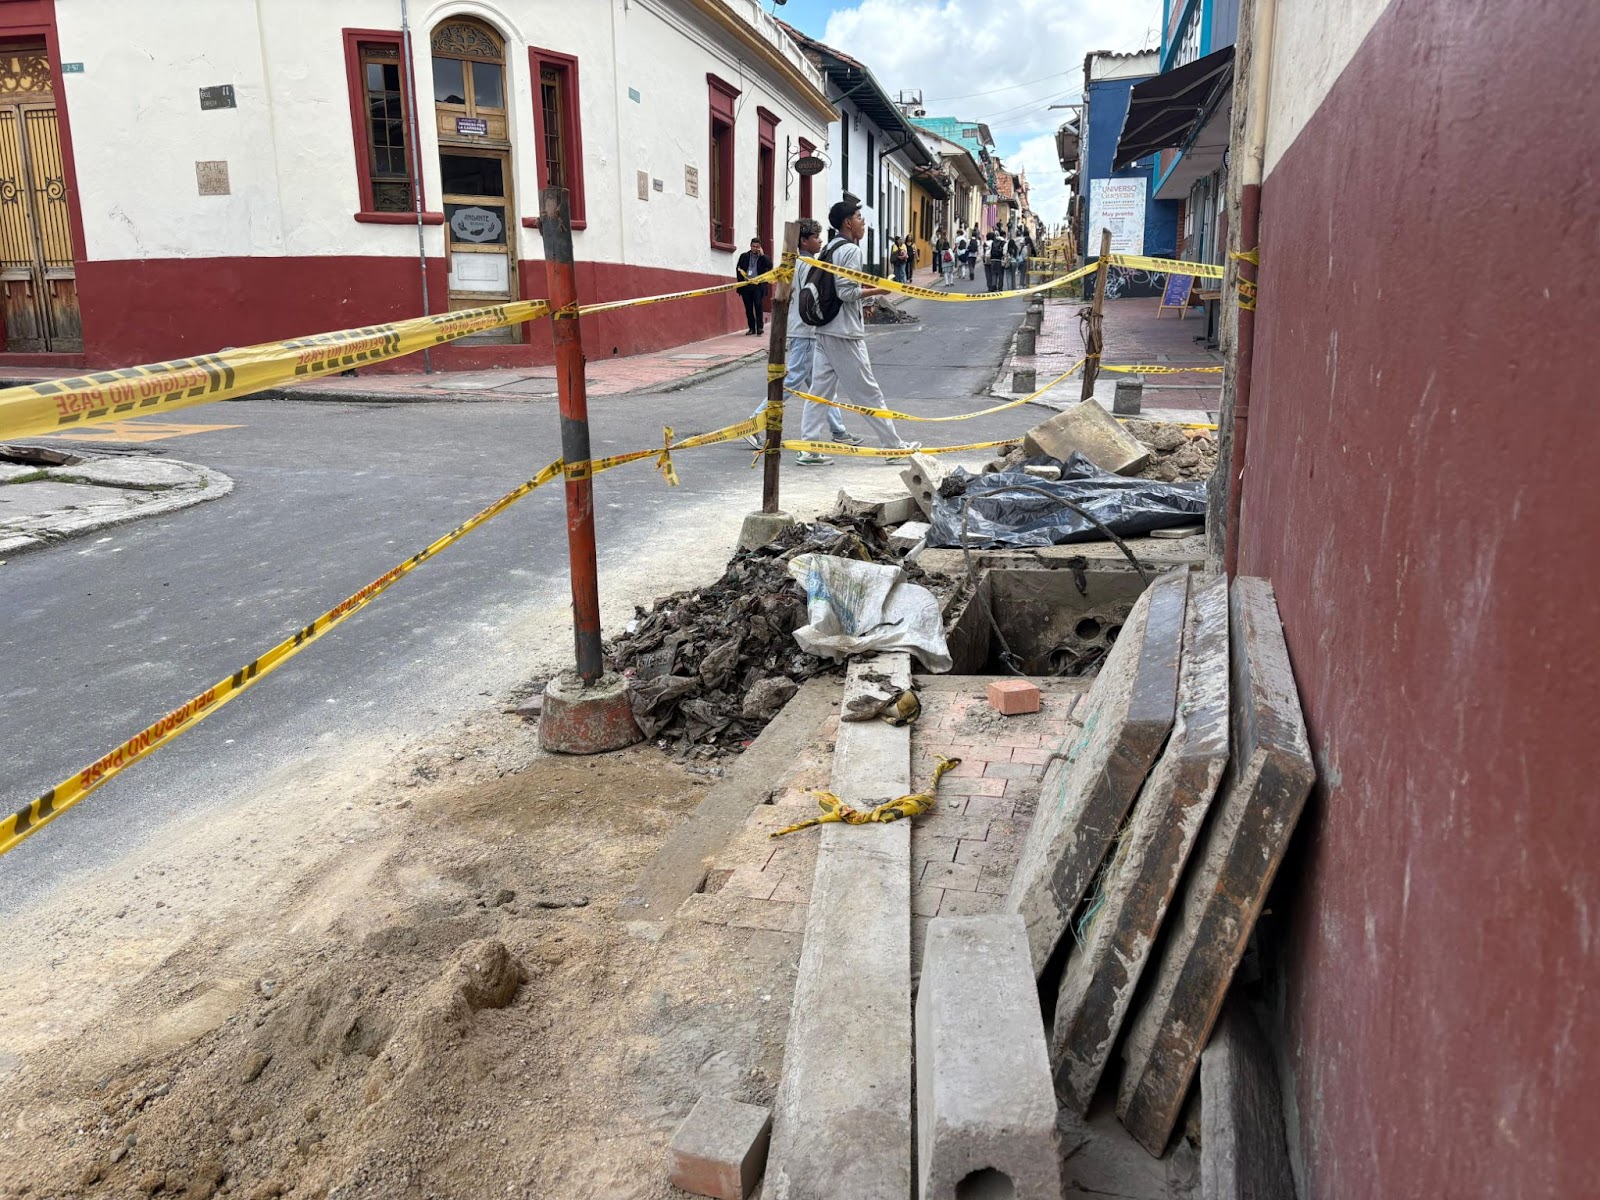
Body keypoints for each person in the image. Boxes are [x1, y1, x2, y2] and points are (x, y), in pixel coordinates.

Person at [805, 196, 921, 465]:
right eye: (859, 218)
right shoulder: (851, 251)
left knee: (819, 393)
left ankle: (808, 447)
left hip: (825, 328)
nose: (863, 223)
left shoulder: (830, 248)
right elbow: (845, 292)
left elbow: (840, 288)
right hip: (844, 332)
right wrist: (881, 290)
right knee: (869, 393)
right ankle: (893, 447)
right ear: (848, 222)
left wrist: (866, 300)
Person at [746, 219, 863, 457]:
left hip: (806, 330)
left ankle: (838, 430)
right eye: (816, 237)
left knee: (821, 386)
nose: (820, 240)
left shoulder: (798, 262)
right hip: (807, 331)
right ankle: (755, 422)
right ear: (803, 240)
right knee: (793, 381)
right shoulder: (809, 264)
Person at [736, 237, 770, 336]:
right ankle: (751, 328)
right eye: (753, 246)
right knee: (748, 308)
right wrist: (741, 282)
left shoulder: (762, 258)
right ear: (750, 246)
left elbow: (769, 265)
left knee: (758, 305)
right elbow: (738, 269)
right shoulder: (744, 256)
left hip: (758, 286)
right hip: (746, 285)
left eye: (757, 247)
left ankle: (760, 327)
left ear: (760, 247)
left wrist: (763, 255)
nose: (755, 248)